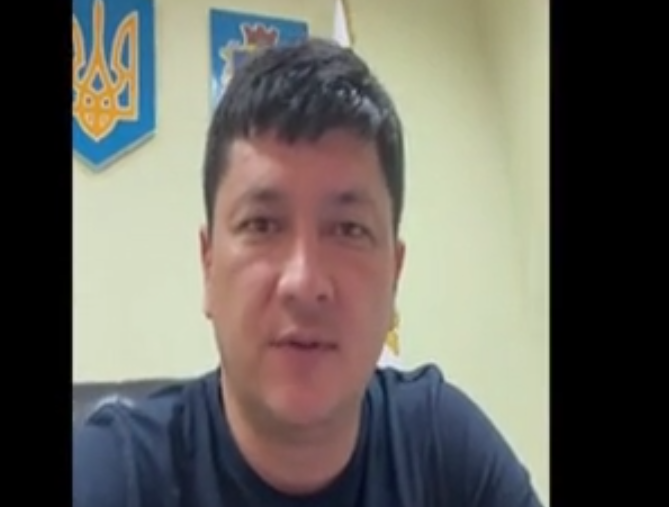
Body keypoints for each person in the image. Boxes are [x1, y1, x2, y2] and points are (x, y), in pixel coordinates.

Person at [73, 37, 544, 507]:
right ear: (208, 264)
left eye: (348, 229)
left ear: (394, 275)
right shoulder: (113, 473)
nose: (304, 282)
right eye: (262, 225)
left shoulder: (442, 451)